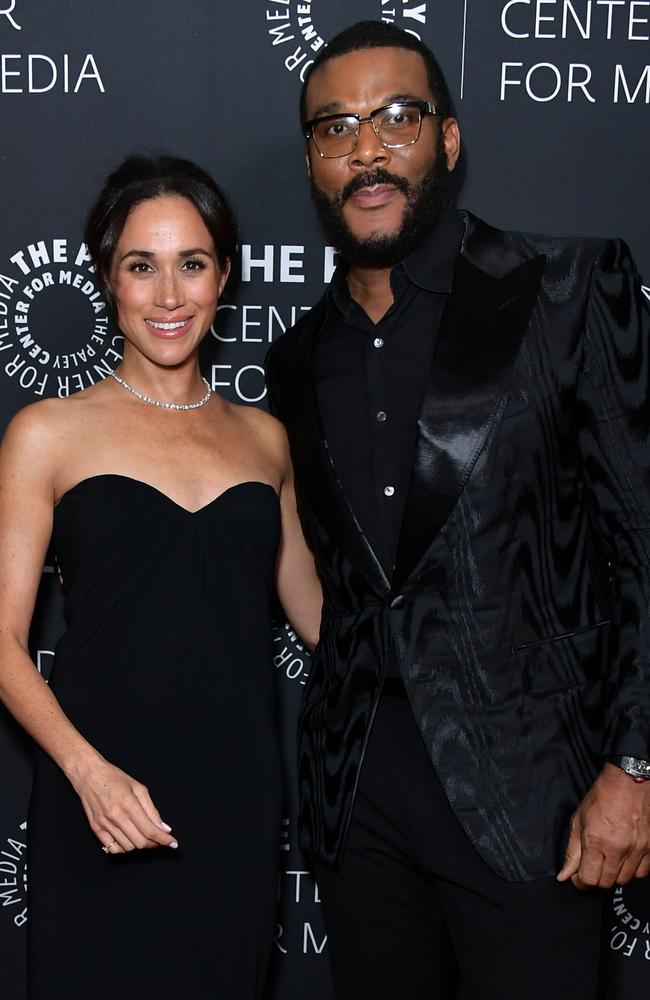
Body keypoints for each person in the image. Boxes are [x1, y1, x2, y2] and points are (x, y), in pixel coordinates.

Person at [265, 20, 650, 1000]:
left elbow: (639, 540)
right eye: (334, 127)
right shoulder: (298, 357)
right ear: (311, 159)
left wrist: (634, 765)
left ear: (447, 137)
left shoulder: (567, 287)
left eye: (397, 116)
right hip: (359, 794)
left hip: (533, 795)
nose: (365, 150)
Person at [0, 155, 321, 999]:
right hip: (101, 796)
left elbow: (322, 617)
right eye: (142, 266)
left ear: (225, 277)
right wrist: (87, 773)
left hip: (238, 802)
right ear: (109, 278)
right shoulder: (48, 432)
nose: (169, 295)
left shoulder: (266, 439)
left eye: (192, 263)